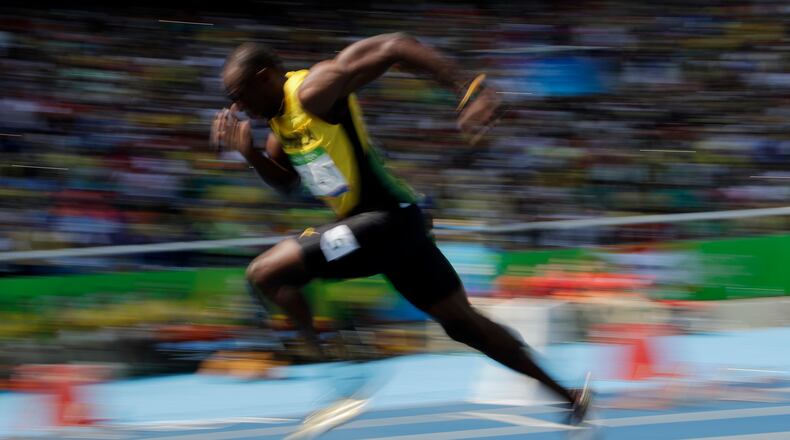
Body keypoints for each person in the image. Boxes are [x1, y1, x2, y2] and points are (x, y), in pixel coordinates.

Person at [209, 33, 591, 429]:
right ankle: (570, 397)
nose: (236, 107)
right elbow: (286, 182)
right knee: (463, 325)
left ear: (265, 76)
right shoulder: (278, 129)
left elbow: (394, 45)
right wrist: (251, 155)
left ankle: (338, 368)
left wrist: (470, 89)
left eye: (239, 94)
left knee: (265, 273)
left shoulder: (314, 89)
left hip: (386, 220)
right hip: (384, 231)